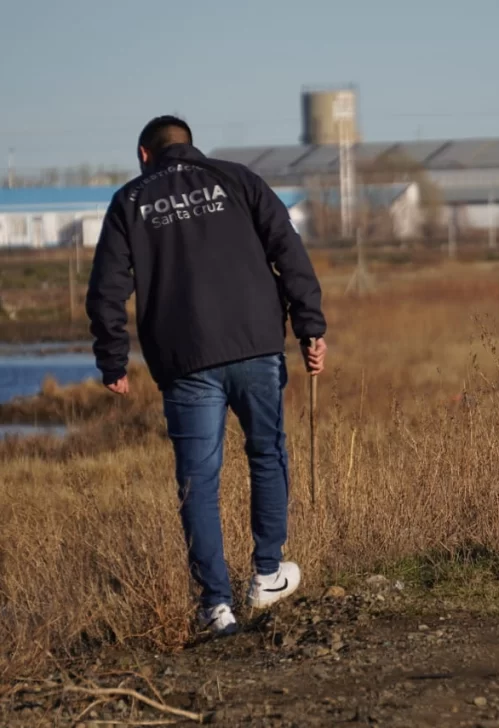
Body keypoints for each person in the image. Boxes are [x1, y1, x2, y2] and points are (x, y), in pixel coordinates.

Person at [86, 116, 327, 637]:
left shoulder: (130, 201)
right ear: (190, 147)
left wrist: (113, 360)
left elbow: (106, 288)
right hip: (256, 345)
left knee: (198, 483)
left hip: (184, 359)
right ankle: (266, 574)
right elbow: (289, 249)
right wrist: (310, 328)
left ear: (144, 155)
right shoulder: (238, 179)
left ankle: (215, 606)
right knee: (266, 453)